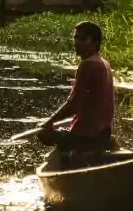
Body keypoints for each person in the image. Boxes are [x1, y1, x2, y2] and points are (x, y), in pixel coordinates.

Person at [36, 20, 115, 158]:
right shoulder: (104, 63)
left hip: (86, 137)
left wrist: (49, 122)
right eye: (76, 37)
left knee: (43, 133)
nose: (77, 42)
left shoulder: (88, 65)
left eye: (84, 39)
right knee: (60, 129)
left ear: (96, 43)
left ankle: (74, 153)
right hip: (103, 133)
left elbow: (74, 104)